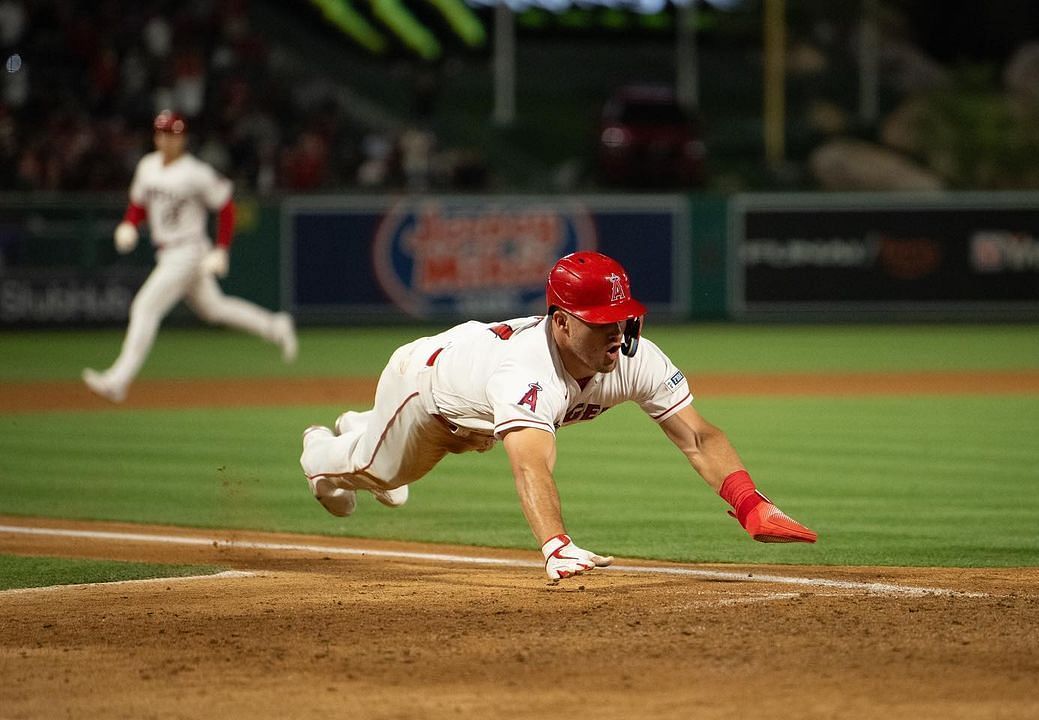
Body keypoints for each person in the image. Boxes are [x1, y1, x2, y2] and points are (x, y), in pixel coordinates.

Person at [300, 251, 816, 580]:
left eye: (622, 318)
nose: (617, 334)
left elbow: (698, 438)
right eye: (601, 324)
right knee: (384, 473)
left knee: (436, 452)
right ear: (562, 324)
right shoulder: (528, 372)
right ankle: (321, 450)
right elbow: (530, 465)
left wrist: (750, 503)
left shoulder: (633, 358)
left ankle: (363, 427)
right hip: (428, 389)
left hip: (480, 404)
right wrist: (555, 544)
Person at [82, 110, 297, 403]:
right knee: (215, 309)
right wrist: (129, 224)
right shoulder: (147, 167)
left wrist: (221, 249)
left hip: (188, 250)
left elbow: (226, 207)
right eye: (162, 133)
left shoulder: (195, 172)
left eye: (173, 134)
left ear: (182, 138)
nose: (167, 139)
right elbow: (139, 203)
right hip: (168, 251)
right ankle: (275, 326)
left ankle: (118, 380)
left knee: (145, 307)